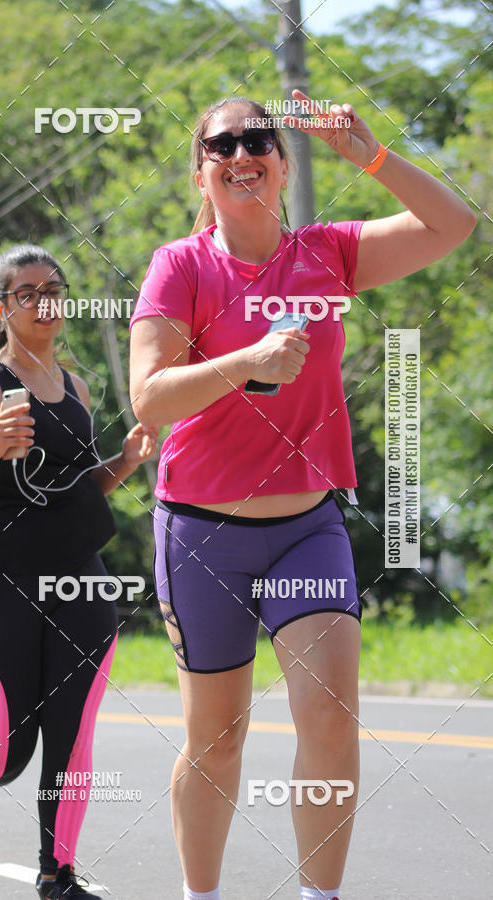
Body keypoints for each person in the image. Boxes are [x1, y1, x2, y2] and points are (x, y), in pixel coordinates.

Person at [129, 90, 476, 900]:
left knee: (328, 718)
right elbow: (149, 399)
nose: (242, 153)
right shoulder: (180, 266)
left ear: (284, 163)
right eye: (222, 145)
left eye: (260, 139)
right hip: (202, 534)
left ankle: (320, 897)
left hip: (306, 529)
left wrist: (374, 158)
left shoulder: (328, 254)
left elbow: (455, 227)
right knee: (217, 739)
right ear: (200, 172)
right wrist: (242, 362)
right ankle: (200, 895)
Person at [0, 244, 157, 899]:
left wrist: (127, 459)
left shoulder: (75, 387)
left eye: (55, 288)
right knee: (2, 752)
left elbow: (82, 488)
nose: (46, 301)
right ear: (0, 307)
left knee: (71, 735)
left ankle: (57, 874)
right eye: (27, 292)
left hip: (79, 580)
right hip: (0, 579)